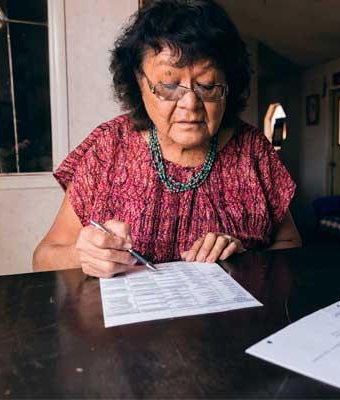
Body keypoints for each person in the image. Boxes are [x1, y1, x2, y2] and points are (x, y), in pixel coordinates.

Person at [33, 0, 301, 278]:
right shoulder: (107, 148)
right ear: (139, 82)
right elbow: (42, 258)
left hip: (232, 319)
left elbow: (292, 244)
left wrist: (245, 255)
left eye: (207, 86)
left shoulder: (253, 149)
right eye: (169, 85)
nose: (190, 103)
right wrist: (84, 255)